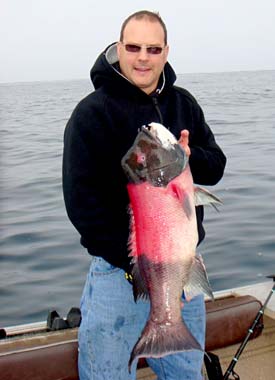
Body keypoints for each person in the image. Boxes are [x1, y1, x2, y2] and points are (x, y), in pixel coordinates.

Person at [62, 10, 226, 380]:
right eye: (133, 47)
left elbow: (215, 165)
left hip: (183, 271)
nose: (142, 57)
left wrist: (188, 158)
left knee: (187, 374)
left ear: (166, 52)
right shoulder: (91, 114)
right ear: (119, 48)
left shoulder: (183, 103)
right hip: (115, 276)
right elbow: (80, 203)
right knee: (107, 375)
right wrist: (139, 264)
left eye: (153, 49)